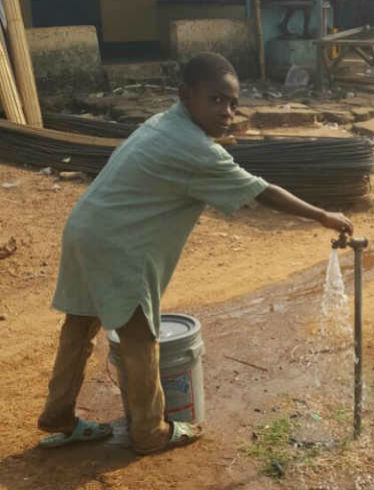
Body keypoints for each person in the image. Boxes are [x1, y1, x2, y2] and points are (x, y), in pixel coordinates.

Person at [37, 52, 354, 455]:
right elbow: (261, 191)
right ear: (187, 95)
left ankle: (59, 415)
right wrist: (323, 214)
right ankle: (150, 431)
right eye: (216, 100)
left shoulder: (163, 124)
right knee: (139, 337)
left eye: (233, 103)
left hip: (85, 230)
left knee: (79, 327)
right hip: (118, 245)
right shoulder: (195, 148)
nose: (227, 112)